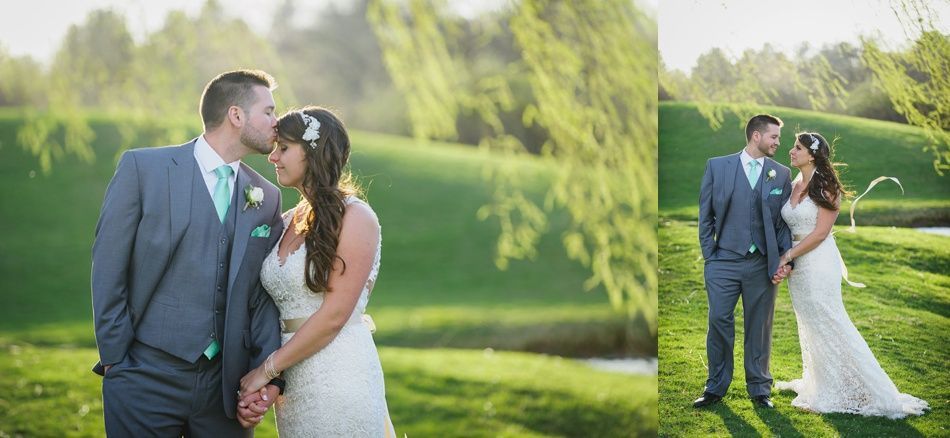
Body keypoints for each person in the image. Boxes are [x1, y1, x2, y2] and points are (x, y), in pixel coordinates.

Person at [91, 69, 286, 435]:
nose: (277, 122)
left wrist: (266, 373)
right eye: (269, 111)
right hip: (143, 378)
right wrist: (116, 359)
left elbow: (261, 294)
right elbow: (108, 266)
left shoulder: (267, 197)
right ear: (236, 115)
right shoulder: (144, 170)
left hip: (226, 390)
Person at [236, 107, 396, 436]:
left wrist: (266, 370)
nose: (273, 157)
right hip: (293, 383)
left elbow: (335, 315)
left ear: (313, 152)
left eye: (284, 148)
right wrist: (274, 381)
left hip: (341, 373)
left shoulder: (356, 218)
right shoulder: (285, 221)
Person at [774, 132, 929, 418]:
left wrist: (787, 256)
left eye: (797, 148)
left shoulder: (828, 187)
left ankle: (866, 389)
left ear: (812, 154)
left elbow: (820, 233)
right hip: (797, 264)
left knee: (831, 318)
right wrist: (787, 258)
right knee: (811, 322)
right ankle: (828, 383)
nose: (791, 151)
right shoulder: (793, 185)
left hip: (819, 262)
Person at [693, 114, 794, 409]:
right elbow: (705, 215)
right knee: (719, 320)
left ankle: (760, 389)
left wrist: (785, 261)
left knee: (759, 326)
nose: (778, 142)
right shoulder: (717, 166)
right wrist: (710, 256)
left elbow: (782, 225)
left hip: (762, 263)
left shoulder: (781, 173)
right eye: (774, 137)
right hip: (722, 260)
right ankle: (715, 386)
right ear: (756, 136)